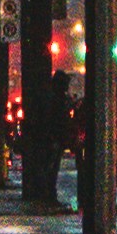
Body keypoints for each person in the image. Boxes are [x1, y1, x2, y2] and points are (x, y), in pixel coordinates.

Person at [27, 49, 73, 214]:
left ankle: (47, 196)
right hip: (51, 139)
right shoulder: (55, 100)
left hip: (49, 139)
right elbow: (54, 120)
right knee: (50, 170)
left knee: (48, 169)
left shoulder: (50, 97)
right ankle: (48, 196)